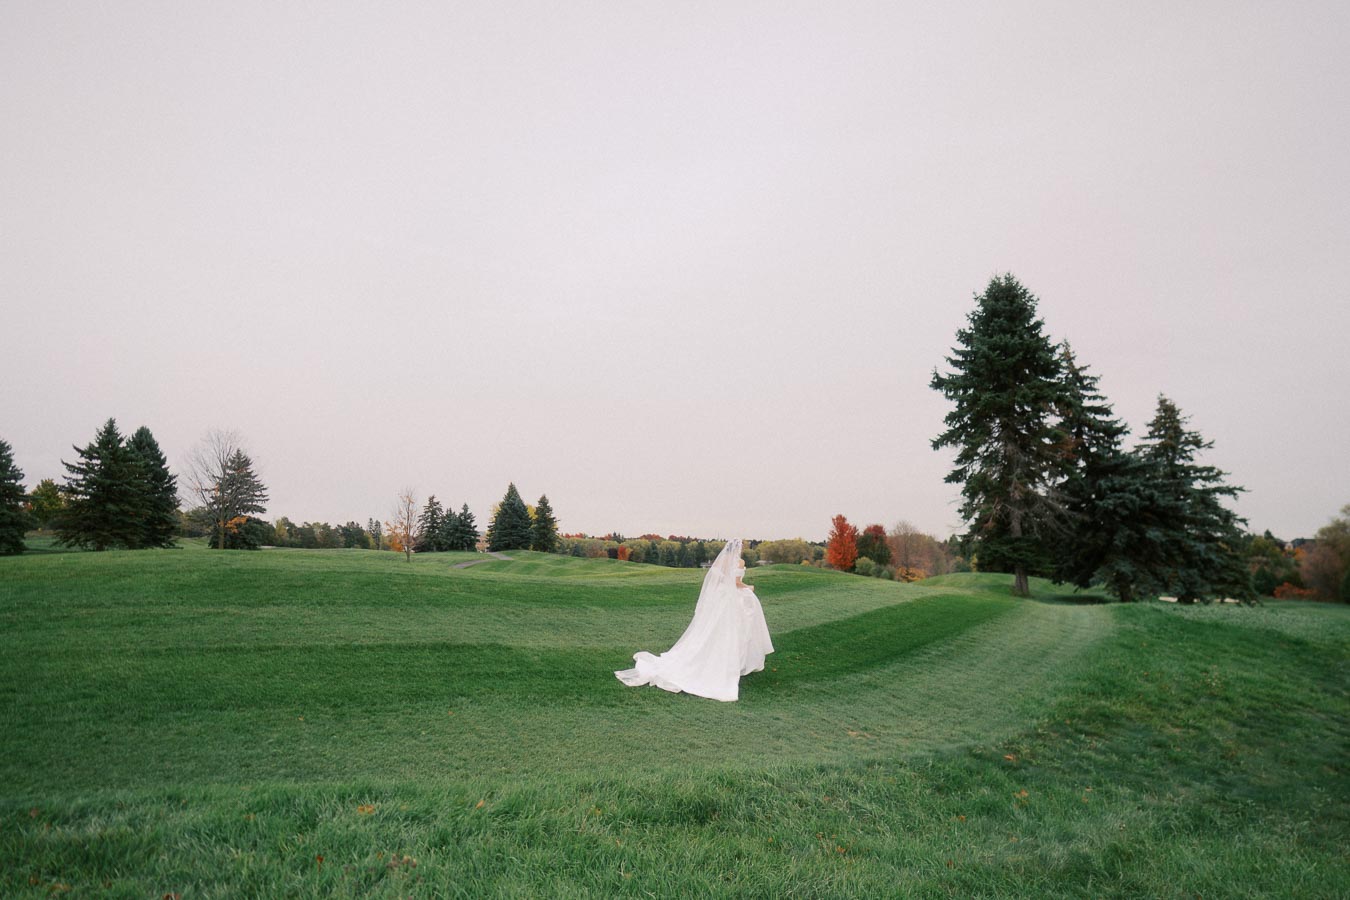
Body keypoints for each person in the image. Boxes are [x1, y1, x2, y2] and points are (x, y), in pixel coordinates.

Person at [615, 538, 774, 701]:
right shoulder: (739, 562)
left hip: (721, 597)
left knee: (715, 629)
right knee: (733, 629)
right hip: (732, 598)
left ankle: (722, 659)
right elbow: (736, 582)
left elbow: (719, 580)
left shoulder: (722, 561)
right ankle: (731, 662)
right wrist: (749, 587)